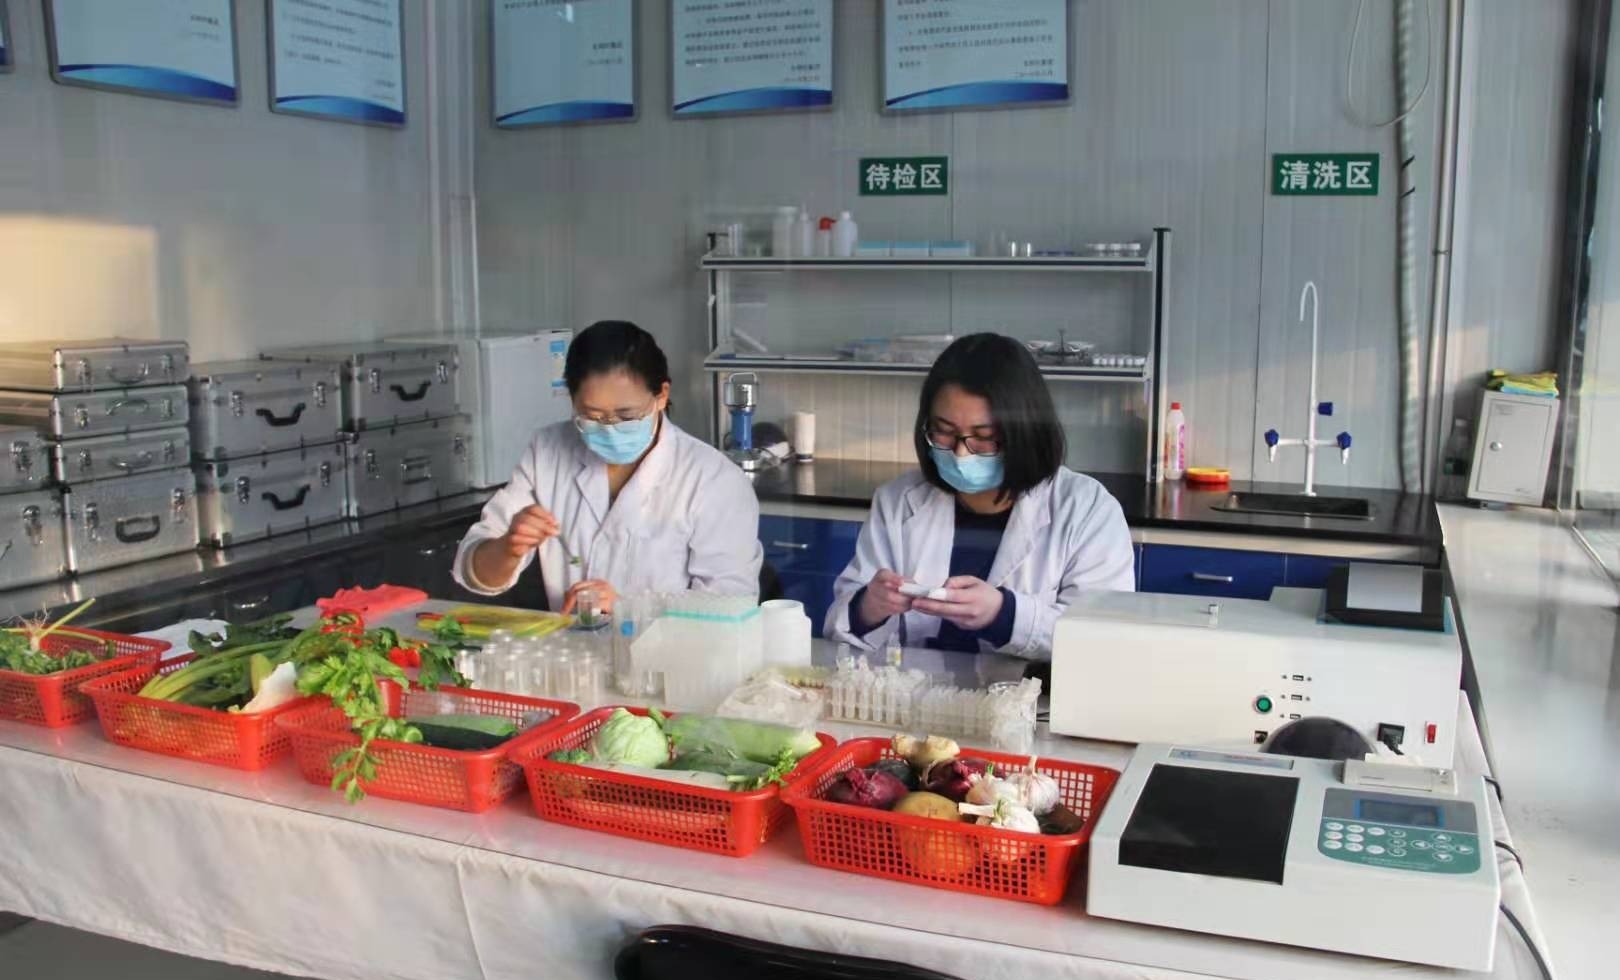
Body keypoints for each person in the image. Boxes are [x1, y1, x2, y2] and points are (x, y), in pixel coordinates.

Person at [825, 333, 1135, 658]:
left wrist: (1004, 616)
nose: (961, 453)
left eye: (984, 436)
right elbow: (839, 628)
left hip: (1029, 691)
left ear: (1025, 433)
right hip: (917, 687)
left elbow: (1104, 643)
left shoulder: (1087, 510)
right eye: (944, 431)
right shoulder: (897, 501)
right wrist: (869, 607)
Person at [453, 320, 762, 613]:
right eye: (592, 416)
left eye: (626, 416)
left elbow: (731, 607)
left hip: (669, 649)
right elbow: (475, 573)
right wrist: (508, 548)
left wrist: (629, 609)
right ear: (572, 400)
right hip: (573, 647)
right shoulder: (547, 451)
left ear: (661, 396)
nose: (610, 428)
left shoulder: (714, 480)